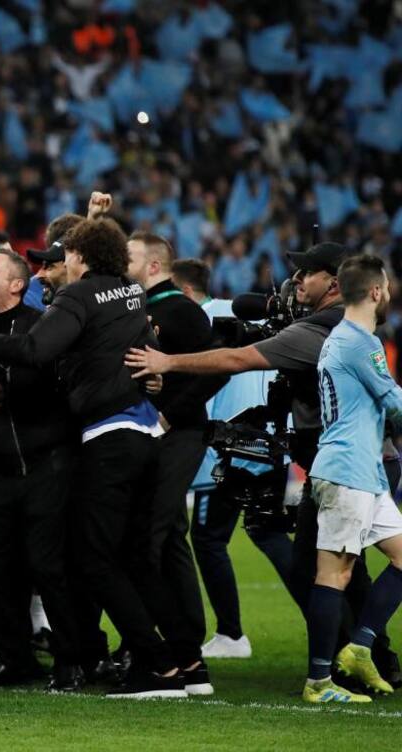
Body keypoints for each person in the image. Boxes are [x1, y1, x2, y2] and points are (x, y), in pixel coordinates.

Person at [127, 241, 401, 685]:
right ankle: (361, 658)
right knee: (338, 568)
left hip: (350, 464)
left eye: (304, 274)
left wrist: (169, 360)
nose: (295, 282)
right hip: (357, 461)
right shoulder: (349, 328)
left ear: (333, 283)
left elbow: (236, 359)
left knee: (329, 571)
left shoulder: (321, 332)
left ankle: (343, 664)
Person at [0, 218, 188, 699]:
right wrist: (152, 375)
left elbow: (36, 348)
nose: (60, 260)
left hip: (108, 436)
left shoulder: (80, 296)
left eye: (66, 252)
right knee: (135, 556)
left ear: (82, 255)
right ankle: (187, 665)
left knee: (93, 560)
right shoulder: (131, 292)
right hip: (146, 430)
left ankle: (156, 666)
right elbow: (141, 349)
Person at [0, 250, 83, 691]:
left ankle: (71, 659)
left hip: (44, 466)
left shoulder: (41, 327)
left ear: (17, 284)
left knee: (48, 567)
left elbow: (50, 382)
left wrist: (5, 384)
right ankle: (15, 660)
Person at [171, 258, 292, 660]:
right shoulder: (240, 314)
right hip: (270, 444)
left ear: (187, 292)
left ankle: (231, 635)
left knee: (207, 538)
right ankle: (328, 616)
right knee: (268, 533)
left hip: (225, 450)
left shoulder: (200, 323)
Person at [301, 254, 402, 703]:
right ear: (377, 292)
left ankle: (360, 645)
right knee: (334, 576)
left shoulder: (347, 337)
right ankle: (319, 681)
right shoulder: (360, 344)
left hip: (365, 474)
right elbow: (395, 401)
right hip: (347, 474)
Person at [126, 232, 221, 694]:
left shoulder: (181, 310)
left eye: (131, 256)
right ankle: (187, 652)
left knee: (151, 535)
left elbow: (214, 367)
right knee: (169, 540)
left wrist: (170, 412)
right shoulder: (137, 307)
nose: (124, 262)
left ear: (153, 265)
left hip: (180, 433)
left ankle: (180, 651)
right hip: (157, 434)